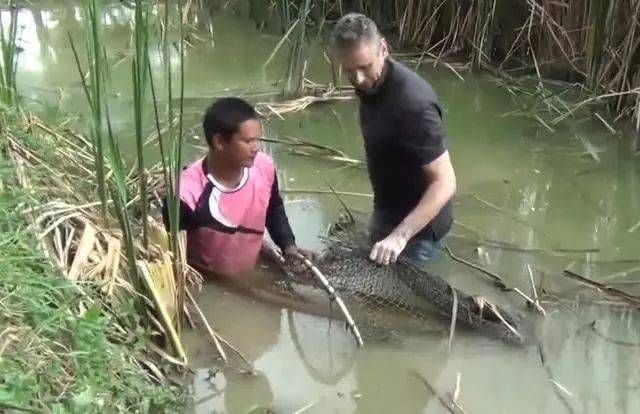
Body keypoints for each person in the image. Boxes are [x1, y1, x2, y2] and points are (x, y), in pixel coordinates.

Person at [330, 13, 457, 266]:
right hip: (387, 211)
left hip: (418, 232)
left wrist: (399, 237)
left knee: (392, 304)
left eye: (365, 67)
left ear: (383, 49)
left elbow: (445, 181)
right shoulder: (371, 84)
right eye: (348, 70)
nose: (358, 80)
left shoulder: (414, 105)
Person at [163, 97, 311, 277]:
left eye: (258, 139)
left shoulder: (264, 167)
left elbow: (274, 210)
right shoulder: (185, 195)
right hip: (210, 281)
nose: (256, 148)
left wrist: (289, 247)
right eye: (248, 141)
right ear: (219, 142)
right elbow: (170, 253)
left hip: (250, 271)